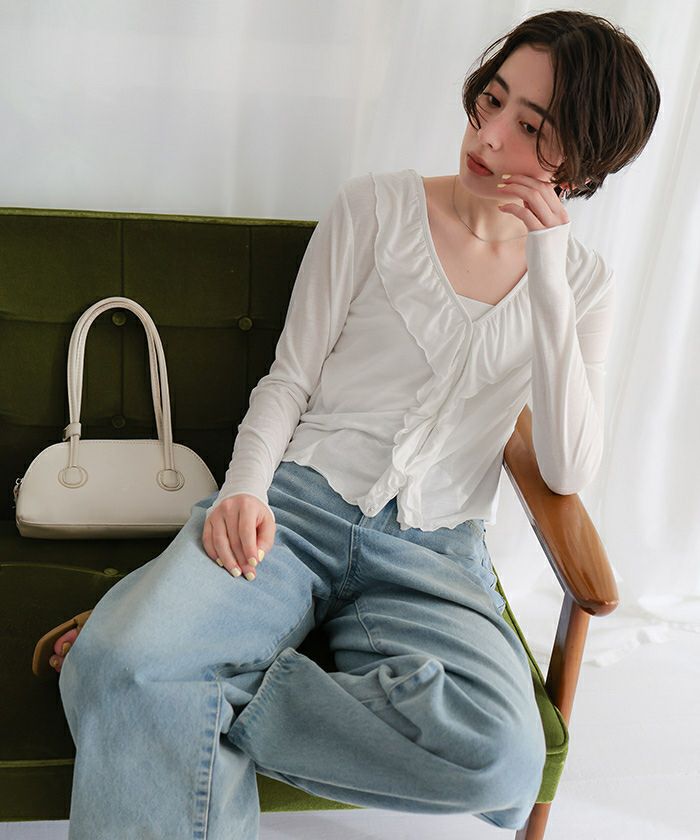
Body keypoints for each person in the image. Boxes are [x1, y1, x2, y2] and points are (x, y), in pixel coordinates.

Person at [35, 9, 660, 838]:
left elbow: (570, 467)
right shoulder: (375, 209)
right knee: (124, 664)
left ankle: (177, 659)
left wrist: (549, 277)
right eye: (492, 99)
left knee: (503, 758)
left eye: (531, 127)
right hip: (294, 512)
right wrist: (244, 491)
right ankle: (148, 647)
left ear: (579, 162)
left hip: (434, 555)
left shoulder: (584, 285)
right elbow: (289, 379)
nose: (488, 135)